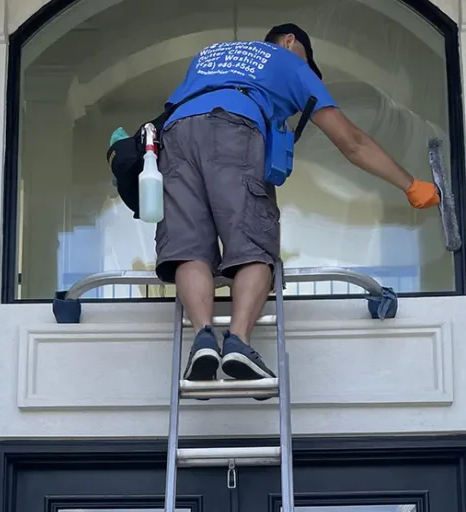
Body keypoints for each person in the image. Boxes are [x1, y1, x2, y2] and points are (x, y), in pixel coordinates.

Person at [156, 24, 442, 383]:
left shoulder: (208, 56)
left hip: (175, 135)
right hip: (234, 128)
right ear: (291, 41)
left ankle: (202, 339)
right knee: (253, 246)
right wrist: (410, 184)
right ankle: (238, 343)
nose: (308, 68)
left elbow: (177, 108)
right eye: (308, 59)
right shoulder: (288, 62)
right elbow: (351, 142)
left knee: (190, 248)